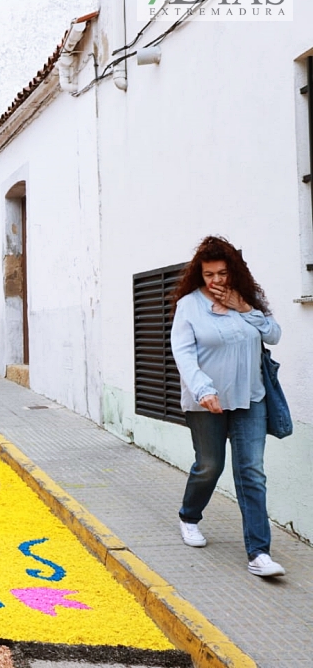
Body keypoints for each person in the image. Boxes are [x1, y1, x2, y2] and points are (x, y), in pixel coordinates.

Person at [170, 235, 285, 578]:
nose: (217, 280)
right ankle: (189, 516)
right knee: (209, 466)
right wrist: (203, 388)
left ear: (233, 270)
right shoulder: (189, 305)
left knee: (252, 472)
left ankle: (259, 552)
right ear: (199, 275)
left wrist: (244, 307)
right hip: (207, 402)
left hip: (251, 398)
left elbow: (274, 335)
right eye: (209, 275)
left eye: (222, 273)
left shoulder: (247, 300)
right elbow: (184, 353)